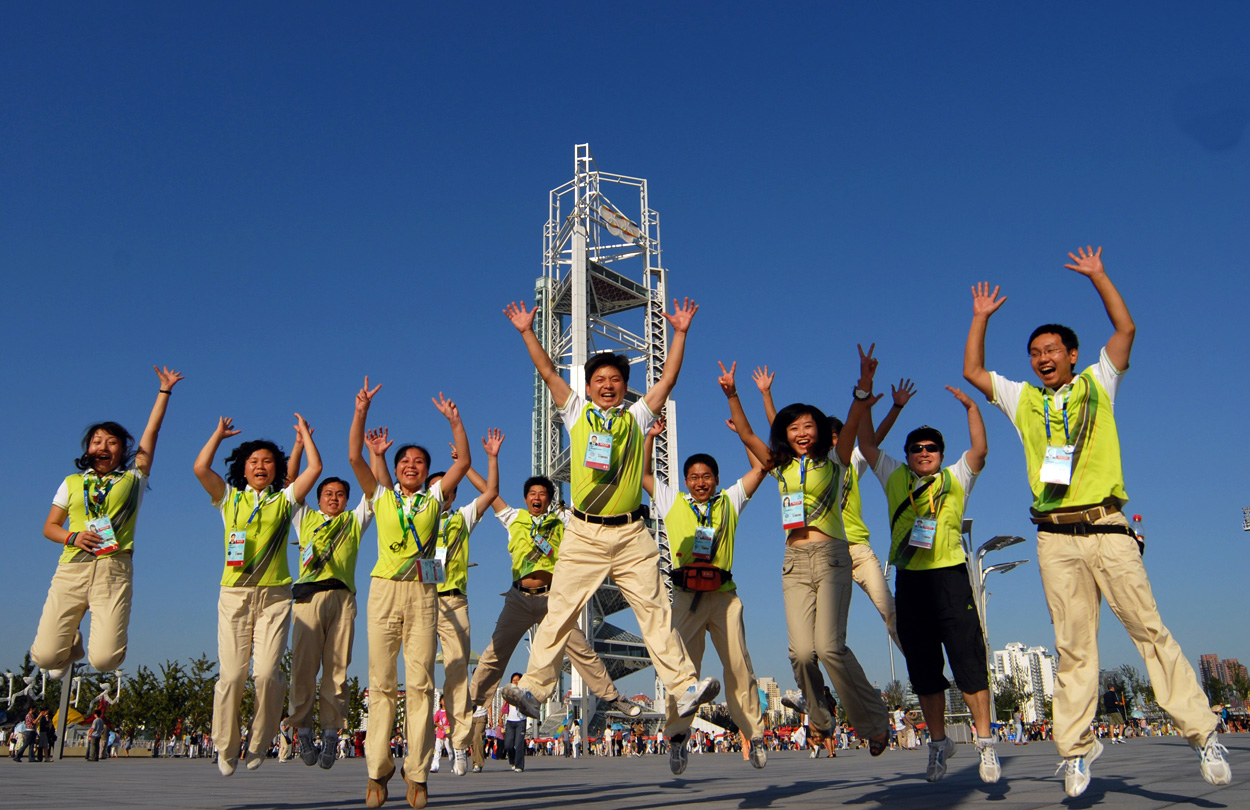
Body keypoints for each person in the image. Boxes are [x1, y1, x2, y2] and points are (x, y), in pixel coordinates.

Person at [962, 247, 1231, 797]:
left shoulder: (1097, 383)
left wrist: (1100, 277)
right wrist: (981, 319)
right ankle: (1077, 751)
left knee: (1149, 631)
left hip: (1108, 529)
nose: (1042, 358)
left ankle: (1203, 734)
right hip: (1054, 536)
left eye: (1051, 350)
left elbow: (1126, 326)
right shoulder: (1022, 401)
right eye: (1035, 352)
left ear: (1072, 353)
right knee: (1072, 647)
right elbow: (972, 370)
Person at [498, 299, 719, 739]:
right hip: (582, 532)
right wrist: (527, 331)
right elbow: (548, 374)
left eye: (616, 380)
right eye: (600, 380)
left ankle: (685, 686)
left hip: (632, 533)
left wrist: (680, 332)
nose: (608, 385)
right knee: (560, 610)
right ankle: (535, 689)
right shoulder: (576, 412)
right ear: (588, 385)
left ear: (625, 386)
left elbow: (669, 379)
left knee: (655, 613)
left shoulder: (637, 417)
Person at [719, 349, 890, 756]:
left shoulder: (836, 460)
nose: (801, 432)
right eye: (793, 427)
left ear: (818, 431)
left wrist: (863, 387)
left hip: (832, 557)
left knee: (830, 648)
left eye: (808, 425)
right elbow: (746, 434)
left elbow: (849, 427)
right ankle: (820, 717)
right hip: (793, 563)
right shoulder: (780, 467)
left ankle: (873, 721)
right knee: (800, 652)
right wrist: (732, 393)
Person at [857, 385, 1001, 783]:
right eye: (917, 448)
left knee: (967, 659)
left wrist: (973, 407)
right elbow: (866, 444)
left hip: (950, 577)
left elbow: (980, 450)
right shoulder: (894, 476)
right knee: (923, 668)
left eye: (931, 447)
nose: (924, 452)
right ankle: (938, 744)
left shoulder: (956, 478)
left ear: (940, 453)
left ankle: (986, 744)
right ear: (907, 455)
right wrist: (870, 401)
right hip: (910, 580)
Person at [348, 378, 471, 810]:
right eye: (407, 461)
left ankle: (417, 774)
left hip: (423, 592)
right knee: (381, 684)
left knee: (421, 685)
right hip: (383, 591)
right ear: (396, 468)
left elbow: (464, 462)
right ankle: (377, 771)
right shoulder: (381, 496)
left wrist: (456, 423)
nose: (413, 466)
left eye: (420, 461)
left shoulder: (435, 499)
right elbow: (353, 457)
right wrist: (361, 411)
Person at [463, 470, 643, 737]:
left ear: (549, 499)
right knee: (495, 652)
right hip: (519, 599)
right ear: (526, 499)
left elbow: (590, 506)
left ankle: (613, 696)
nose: (537, 497)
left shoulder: (563, 519)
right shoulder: (514, 518)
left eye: (543, 494)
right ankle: (469, 703)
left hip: (554, 599)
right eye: (533, 494)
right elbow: (489, 493)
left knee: (580, 649)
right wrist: (465, 467)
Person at [32, 367, 184, 678]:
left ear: (123, 451)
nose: (103, 447)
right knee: (45, 658)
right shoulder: (71, 482)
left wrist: (164, 392)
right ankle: (68, 641)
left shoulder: (133, 480)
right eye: (97, 441)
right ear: (87, 449)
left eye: (112, 442)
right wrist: (72, 537)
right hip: (72, 567)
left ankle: (86, 646)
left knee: (104, 661)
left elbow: (151, 434)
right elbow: (50, 527)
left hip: (114, 569)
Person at [748, 366, 912, 650]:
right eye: (831, 438)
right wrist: (766, 395)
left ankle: (921, 672)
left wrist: (893, 408)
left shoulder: (849, 461)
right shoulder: (801, 465)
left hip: (855, 549)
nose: (835, 443)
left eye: (839, 438)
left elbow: (873, 439)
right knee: (823, 636)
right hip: (817, 554)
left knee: (891, 611)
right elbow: (781, 428)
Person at [193, 413, 321, 777]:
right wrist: (217, 435)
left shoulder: (285, 501)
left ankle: (260, 740)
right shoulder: (229, 498)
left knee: (266, 674)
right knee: (232, 675)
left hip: (276, 596)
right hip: (234, 595)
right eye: (254, 462)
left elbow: (315, 468)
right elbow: (201, 467)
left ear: (277, 469)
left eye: (268, 461)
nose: (261, 466)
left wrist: (302, 439)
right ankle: (226, 744)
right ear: (243, 470)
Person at [640, 417, 769, 774]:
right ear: (686, 481)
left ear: (715, 479)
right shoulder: (672, 501)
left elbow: (761, 467)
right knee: (682, 672)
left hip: (724, 596)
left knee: (740, 666)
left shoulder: (729, 500)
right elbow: (643, 476)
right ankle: (678, 738)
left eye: (706, 477)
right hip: (685, 596)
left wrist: (742, 433)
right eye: (694, 477)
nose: (700, 483)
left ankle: (754, 734)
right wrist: (651, 436)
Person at [286, 425, 374, 771]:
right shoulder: (304, 517)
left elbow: (373, 491)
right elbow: (293, 481)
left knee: (337, 668)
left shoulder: (354, 521)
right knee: (304, 667)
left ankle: (332, 731)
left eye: (340, 494)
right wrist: (300, 443)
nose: (334, 498)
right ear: (319, 498)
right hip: (308, 598)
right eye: (328, 494)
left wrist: (374, 455)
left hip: (342, 598)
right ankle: (303, 728)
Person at [423, 430, 503, 777]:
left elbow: (491, 493)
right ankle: (424, 746)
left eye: (449, 489)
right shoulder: (413, 516)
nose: (444, 494)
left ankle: (459, 745)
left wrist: (487, 459)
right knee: (419, 674)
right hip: (420, 600)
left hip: (453, 603)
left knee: (457, 673)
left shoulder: (461, 519)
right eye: (437, 489)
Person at [501, 673, 528, 773]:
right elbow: (504, 705)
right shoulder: (509, 692)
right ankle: (512, 761)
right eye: (513, 680)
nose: (515, 681)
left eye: (517, 680)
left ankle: (519, 765)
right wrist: (500, 717)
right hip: (510, 721)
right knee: (508, 744)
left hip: (521, 721)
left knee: (519, 744)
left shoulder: (524, 691)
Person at [431, 697, 452, 773]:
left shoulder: (450, 712)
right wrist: (439, 726)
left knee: (450, 750)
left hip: (448, 734)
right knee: (437, 750)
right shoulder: (439, 712)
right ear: (440, 702)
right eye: (443, 700)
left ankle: (453, 766)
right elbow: (435, 721)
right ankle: (435, 766)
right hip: (440, 733)